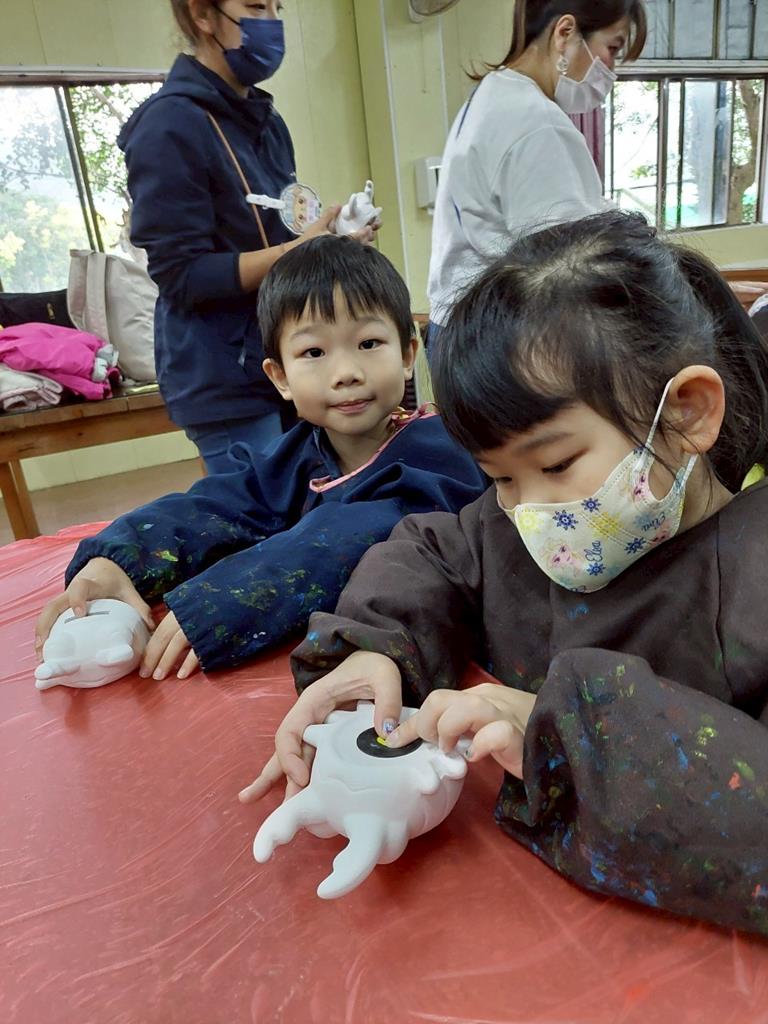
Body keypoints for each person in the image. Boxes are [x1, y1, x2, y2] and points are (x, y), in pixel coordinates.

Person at [244, 212, 768, 937]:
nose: (530, 511)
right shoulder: (511, 527)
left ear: (685, 412)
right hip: (478, 928)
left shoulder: (752, 577)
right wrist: (374, 647)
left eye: (556, 464)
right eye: (500, 477)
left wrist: (560, 735)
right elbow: (428, 551)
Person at [34, 238, 486, 679]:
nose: (347, 373)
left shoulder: (441, 450)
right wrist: (118, 558)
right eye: (314, 352)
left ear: (407, 354)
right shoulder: (299, 451)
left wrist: (222, 599)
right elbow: (223, 502)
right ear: (280, 376)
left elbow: (362, 530)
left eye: (368, 343)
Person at [119, 0, 374, 473]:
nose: (272, 22)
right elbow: (182, 274)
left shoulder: (266, 123)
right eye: (256, 6)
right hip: (225, 379)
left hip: (283, 359)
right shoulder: (169, 124)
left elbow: (281, 228)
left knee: (313, 500)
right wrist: (296, 251)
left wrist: (330, 242)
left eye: (278, 7)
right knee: (259, 510)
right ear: (202, 15)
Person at [426, 0, 646, 348]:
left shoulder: (493, 94)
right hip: (492, 338)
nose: (611, 70)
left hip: (459, 327)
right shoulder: (535, 121)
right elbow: (570, 269)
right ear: (565, 33)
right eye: (613, 48)